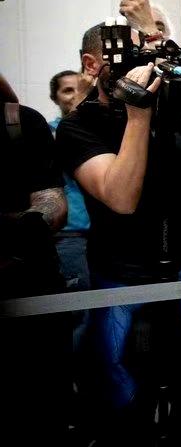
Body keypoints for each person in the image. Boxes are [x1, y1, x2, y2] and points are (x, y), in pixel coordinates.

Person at [55, 21, 181, 447]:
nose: (143, 66)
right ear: (92, 64)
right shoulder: (80, 126)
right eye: (132, 57)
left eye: (147, 56)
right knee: (128, 404)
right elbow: (120, 197)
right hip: (127, 282)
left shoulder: (177, 114)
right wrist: (137, 117)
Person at [0, 74, 69, 447]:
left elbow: (52, 200)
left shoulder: (20, 122)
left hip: (28, 287)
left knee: (41, 411)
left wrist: (29, 223)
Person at [48, 70, 92, 343]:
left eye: (80, 89)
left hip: (99, 234)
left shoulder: (93, 131)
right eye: (67, 90)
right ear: (54, 97)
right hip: (70, 234)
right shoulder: (49, 131)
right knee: (77, 314)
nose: (75, 95)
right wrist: (84, 101)